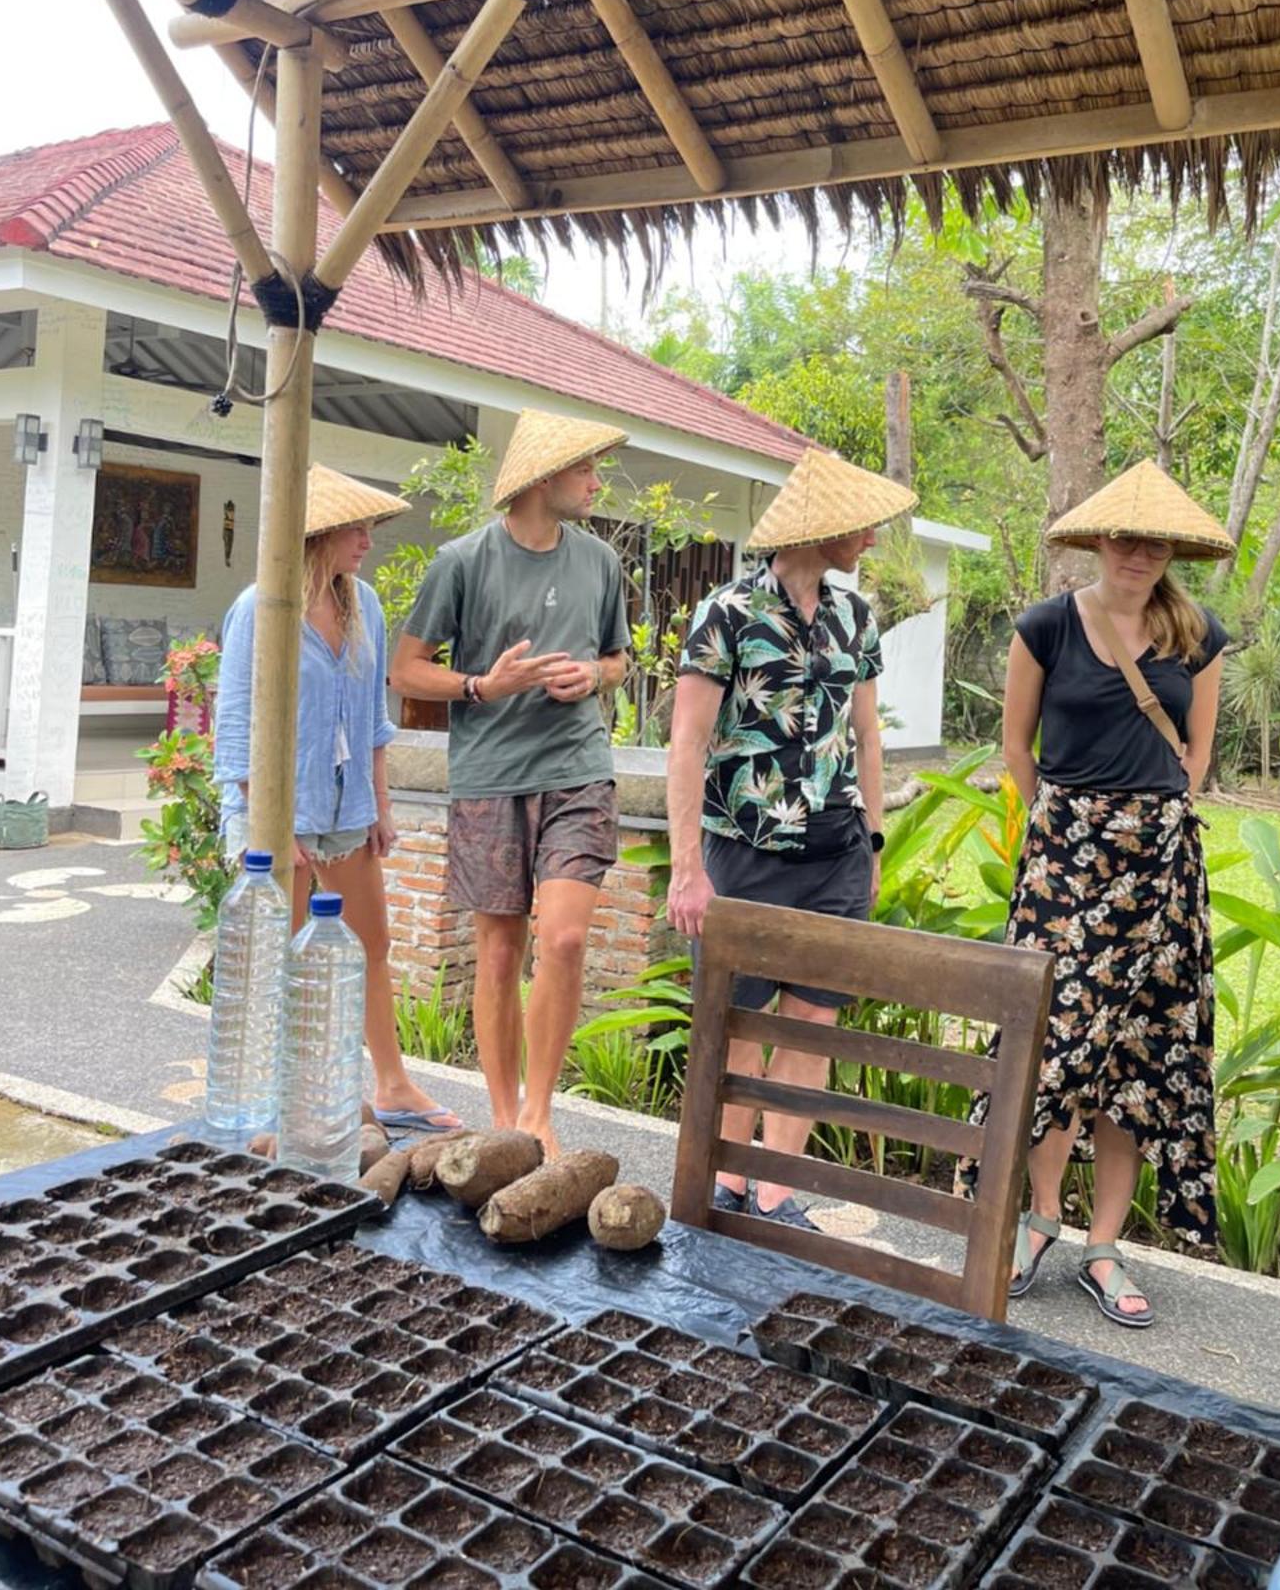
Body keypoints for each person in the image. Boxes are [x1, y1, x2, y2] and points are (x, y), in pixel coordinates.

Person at [988, 458, 1234, 1328]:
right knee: (1055, 1046)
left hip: (1159, 872)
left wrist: (1155, 824)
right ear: (1098, 539)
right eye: (1125, 537)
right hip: (1064, 866)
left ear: (1171, 551)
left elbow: (1197, 750)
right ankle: (1040, 1218)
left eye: (1154, 541)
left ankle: (1104, 1244)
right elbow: (1017, 741)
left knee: (1135, 1060)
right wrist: (1055, 827)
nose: (1138, 552)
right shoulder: (1048, 625)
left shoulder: (1197, 633)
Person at [666, 449, 917, 1230]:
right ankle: (726, 1184)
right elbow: (687, 743)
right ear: (824, 526)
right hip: (742, 854)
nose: (872, 540)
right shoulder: (729, 613)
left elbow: (869, 735)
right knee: (738, 1023)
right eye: (863, 527)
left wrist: (873, 842)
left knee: (813, 1020)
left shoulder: (855, 616)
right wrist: (685, 870)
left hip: (836, 856)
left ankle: (775, 1193)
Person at [390, 410, 632, 1157]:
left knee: (560, 938)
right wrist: (481, 686)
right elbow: (408, 668)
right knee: (497, 954)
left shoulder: (599, 564)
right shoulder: (462, 562)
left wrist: (591, 673)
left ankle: (539, 1112)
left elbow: (621, 659)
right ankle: (504, 1117)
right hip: (491, 777)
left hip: (577, 770)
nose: (597, 483)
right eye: (586, 470)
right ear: (543, 478)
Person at [214, 464, 460, 1133]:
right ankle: (294, 1095)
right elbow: (236, 724)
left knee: (369, 945)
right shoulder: (261, 606)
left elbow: (373, 719)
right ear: (319, 534)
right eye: (357, 528)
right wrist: (269, 823)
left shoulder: (367, 606)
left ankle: (393, 1085)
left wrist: (380, 805)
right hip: (277, 811)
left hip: (347, 806)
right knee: (285, 956)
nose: (368, 541)